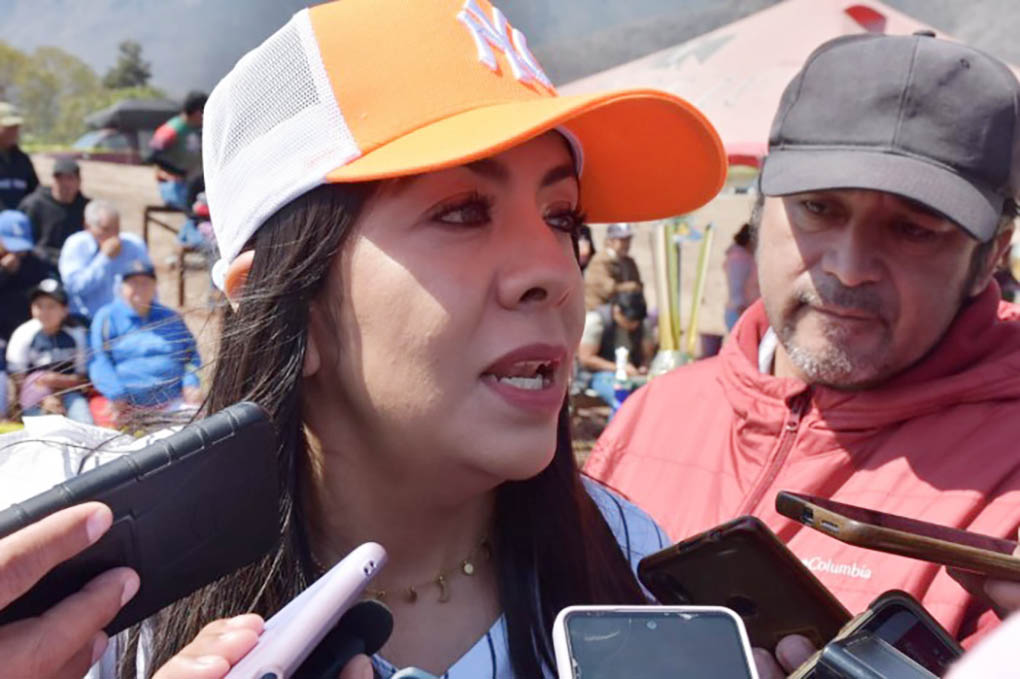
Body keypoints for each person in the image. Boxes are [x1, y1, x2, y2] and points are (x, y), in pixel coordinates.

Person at [63, 1, 724, 677]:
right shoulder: (91, 615)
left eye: (563, 218)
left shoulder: (640, 574)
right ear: (287, 303)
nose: (554, 273)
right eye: (462, 212)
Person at [585, 31, 1020, 666]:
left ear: (991, 257)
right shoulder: (654, 414)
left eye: (913, 229)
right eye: (818, 207)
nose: (848, 266)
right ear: (760, 210)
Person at [89, 260, 201, 424]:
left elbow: (191, 355)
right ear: (122, 287)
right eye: (133, 283)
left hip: (174, 401)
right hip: (125, 406)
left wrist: (191, 383)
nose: (139, 288)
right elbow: (98, 360)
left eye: (145, 283)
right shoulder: (106, 317)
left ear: (155, 286)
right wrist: (116, 394)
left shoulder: (170, 317)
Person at [5, 278, 92, 422]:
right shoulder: (23, 333)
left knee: (84, 420)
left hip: (69, 392)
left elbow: (82, 377)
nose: (44, 312)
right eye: (39, 306)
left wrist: (57, 383)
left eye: (51, 306)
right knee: (42, 425)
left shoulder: (76, 333)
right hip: (34, 394)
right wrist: (43, 396)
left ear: (64, 310)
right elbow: (17, 378)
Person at [59, 199, 151, 321]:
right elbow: (76, 287)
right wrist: (104, 258)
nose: (113, 235)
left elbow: (149, 283)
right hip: (85, 319)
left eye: (117, 229)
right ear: (87, 226)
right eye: (106, 229)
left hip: (126, 319)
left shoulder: (134, 245)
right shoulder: (76, 245)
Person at [577, 290, 651, 408]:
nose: (634, 325)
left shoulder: (641, 324)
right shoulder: (597, 321)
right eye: (630, 321)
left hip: (633, 375)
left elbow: (647, 354)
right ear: (617, 311)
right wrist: (619, 368)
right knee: (621, 399)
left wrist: (644, 366)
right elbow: (586, 358)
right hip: (599, 375)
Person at [18, 156, 89, 269]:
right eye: (59, 179)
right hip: (40, 265)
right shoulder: (34, 204)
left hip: (77, 265)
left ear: (79, 181)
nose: (65, 184)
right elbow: (23, 240)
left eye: (70, 178)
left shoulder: (87, 209)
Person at [0, 208, 55, 340]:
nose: (16, 252)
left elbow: (50, 289)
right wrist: (3, 271)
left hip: (28, 332)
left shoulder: (37, 261)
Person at [148, 91, 206, 211]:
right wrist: (176, 173)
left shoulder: (197, 130)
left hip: (192, 184)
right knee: (192, 209)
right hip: (173, 186)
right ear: (197, 113)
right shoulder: (171, 130)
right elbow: (152, 156)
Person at [583, 221, 644, 310]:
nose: (626, 244)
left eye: (628, 239)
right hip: (599, 309)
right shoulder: (600, 260)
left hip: (624, 309)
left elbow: (639, 285)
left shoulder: (629, 261)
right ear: (610, 241)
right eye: (622, 240)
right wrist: (632, 287)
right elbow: (608, 289)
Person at [0, 102, 39, 210]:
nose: (13, 131)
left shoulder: (23, 160)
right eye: (8, 127)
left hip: (20, 218)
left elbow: (34, 193)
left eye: (16, 127)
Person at [723, 221, 759, 330]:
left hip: (741, 311)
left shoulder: (744, 257)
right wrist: (743, 311)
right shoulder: (739, 259)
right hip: (739, 312)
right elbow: (736, 287)